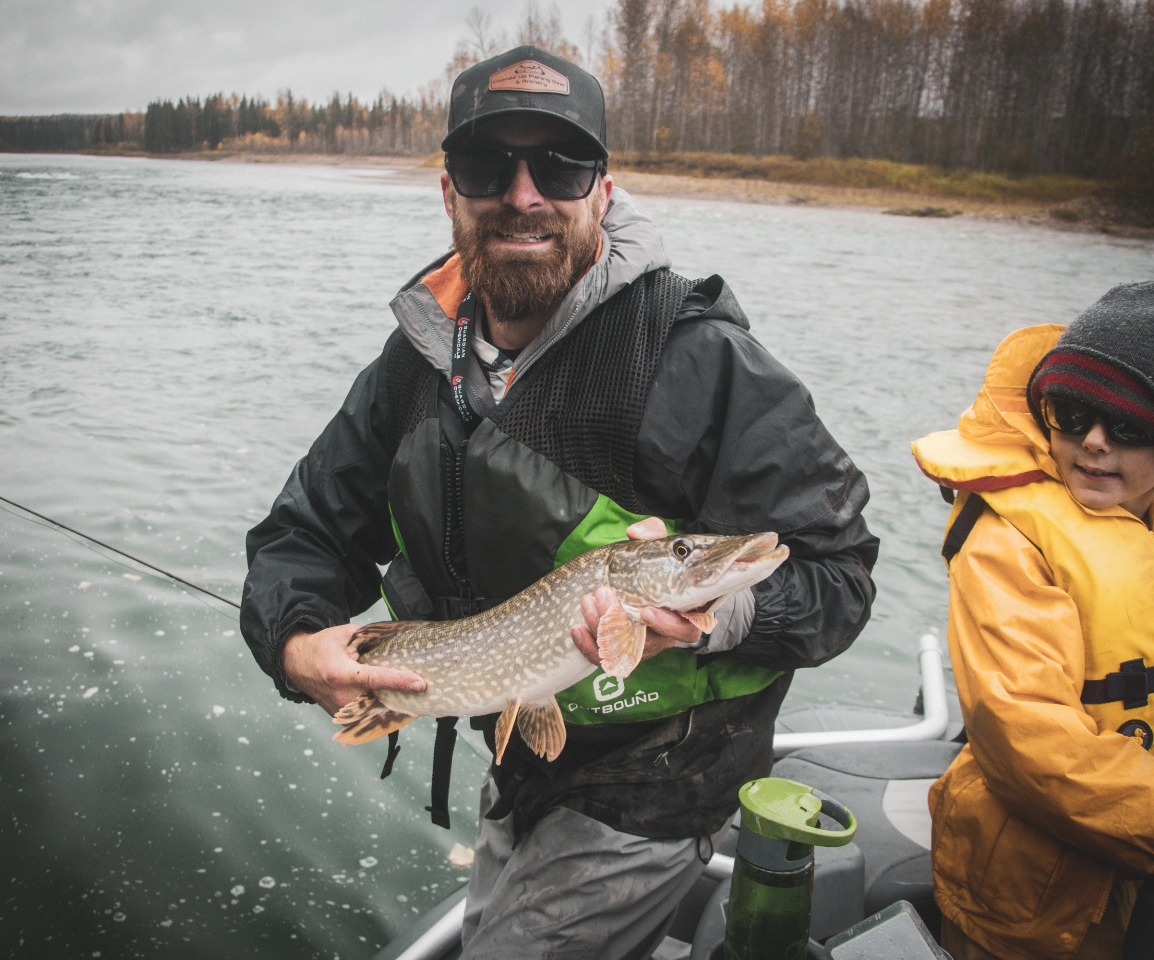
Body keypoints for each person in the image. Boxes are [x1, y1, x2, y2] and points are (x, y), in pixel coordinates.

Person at [240, 45, 878, 959]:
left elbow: (841, 577)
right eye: (487, 165)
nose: (524, 193)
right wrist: (297, 645)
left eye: (562, 165)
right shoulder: (416, 365)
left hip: (664, 772)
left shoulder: (696, 360)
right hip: (522, 742)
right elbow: (302, 532)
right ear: (451, 193)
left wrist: (717, 609)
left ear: (604, 193)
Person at [911, 281, 1154, 960]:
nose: (1093, 442)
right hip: (1030, 894)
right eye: (1071, 412)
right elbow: (1033, 742)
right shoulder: (1009, 540)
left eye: (1129, 426)